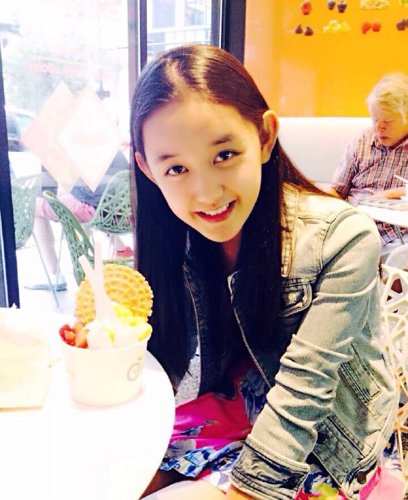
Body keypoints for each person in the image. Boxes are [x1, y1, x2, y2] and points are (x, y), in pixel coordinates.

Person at [131, 45, 400, 499]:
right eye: (176, 168)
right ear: (148, 169)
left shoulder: (342, 236)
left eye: (224, 155)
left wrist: (243, 493)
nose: (206, 193)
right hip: (238, 407)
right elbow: (162, 361)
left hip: (328, 439)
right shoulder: (179, 238)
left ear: (264, 137)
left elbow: (306, 390)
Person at [25, 151, 132, 291]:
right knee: (89, 195)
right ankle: (119, 249)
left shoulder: (54, 145)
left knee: (36, 205)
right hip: (127, 212)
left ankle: (54, 275)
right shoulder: (106, 140)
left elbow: (48, 190)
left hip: (97, 211)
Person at [329, 72, 408, 255]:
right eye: (375, 120)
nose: (379, 128)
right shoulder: (362, 141)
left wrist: (392, 194)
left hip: (399, 235)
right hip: (355, 227)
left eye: (387, 122)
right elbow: (337, 191)